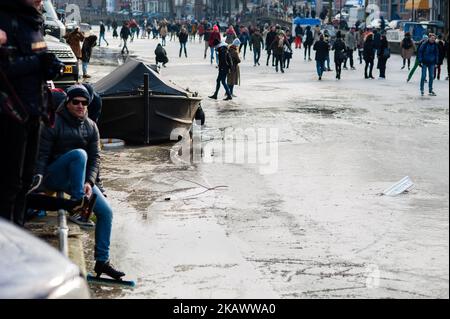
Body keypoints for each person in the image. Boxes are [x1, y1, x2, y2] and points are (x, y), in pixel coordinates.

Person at [36, 84, 125, 279]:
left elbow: (96, 160)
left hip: (79, 180)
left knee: (107, 213)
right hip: (55, 175)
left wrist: (90, 183)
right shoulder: (53, 123)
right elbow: (41, 157)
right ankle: (78, 208)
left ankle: (102, 262)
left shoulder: (92, 126)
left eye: (84, 103)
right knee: (79, 154)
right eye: (75, 102)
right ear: (67, 103)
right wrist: (39, 186)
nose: (80, 106)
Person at [0, 0, 63, 225]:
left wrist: (48, 66)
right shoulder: (5, 19)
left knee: (25, 182)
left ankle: (17, 238)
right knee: (9, 184)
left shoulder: (35, 20)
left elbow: (35, 59)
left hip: (34, 111)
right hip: (10, 113)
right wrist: (37, 63)